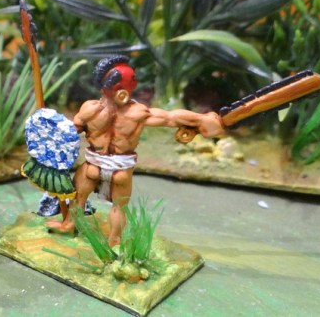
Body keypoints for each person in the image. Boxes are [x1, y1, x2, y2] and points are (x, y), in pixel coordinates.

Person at [47, 56, 225, 246]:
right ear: (125, 90)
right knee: (118, 208)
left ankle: (69, 224)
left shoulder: (89, 109)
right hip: (120, 172)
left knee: (78, 197)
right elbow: (171, 118)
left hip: (93, 166)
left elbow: (71, 131)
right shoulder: (138, 113)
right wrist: (202, 120)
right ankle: (114, 241)